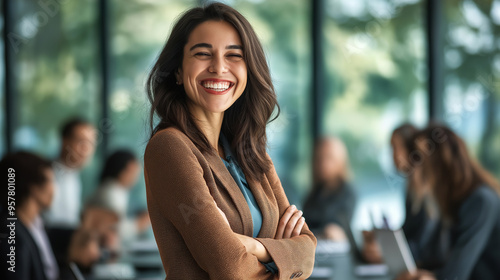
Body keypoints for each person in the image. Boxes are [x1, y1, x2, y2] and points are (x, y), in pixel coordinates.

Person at [143, 3, 316, 279]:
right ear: (177, 70)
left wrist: (252, 247)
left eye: (234, 55)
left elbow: (308, 250)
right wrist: (282, 255)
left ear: (248, 69)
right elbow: (230, 267)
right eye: (202, 53)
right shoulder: (170, 147)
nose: (219, 67)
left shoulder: (249, 150)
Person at [396, 124, 500, 280]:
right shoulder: (454, 202)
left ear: (441, 165)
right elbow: (439, 258)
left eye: (422, 162)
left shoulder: (481, 201)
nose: (416, 170)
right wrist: (420, 271)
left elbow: (456, 274)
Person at [0, 152, 100, 280]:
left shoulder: (35, 224)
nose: (54, 189)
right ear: (34, 187)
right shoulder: (10, 233)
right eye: (51, 181)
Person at [86, 149, 150, 243]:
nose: (136, 176)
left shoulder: (115, 190)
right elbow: (116, 230)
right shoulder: (110, 192)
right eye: (135, 170)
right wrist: (144, 221)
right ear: (126, 169)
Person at [44, 117, 97, 229]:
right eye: (81, 142)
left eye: (91, 143)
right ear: (64, 141)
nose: (86, 149)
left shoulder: (74, 176)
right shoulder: (46, 176)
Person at [302, 137, 356, 241]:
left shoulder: (347, 192)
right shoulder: (314, 193)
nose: (323, 164)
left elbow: (338, 227)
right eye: (319, 158)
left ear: (340, 160)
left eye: (329, 158)